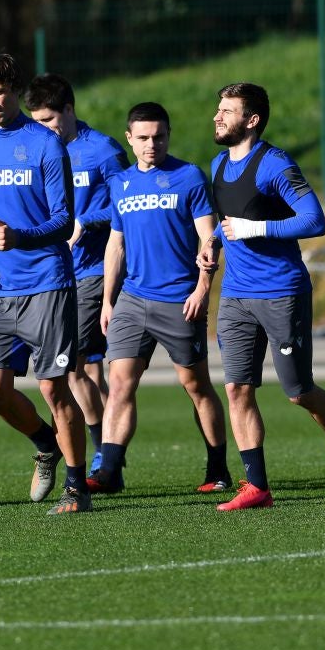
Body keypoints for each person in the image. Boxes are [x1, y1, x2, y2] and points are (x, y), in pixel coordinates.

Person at [202, 82, 325, 511]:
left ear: (251, 120)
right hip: (235, 296)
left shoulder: (275, 164)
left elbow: (314, 220)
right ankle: (257, 486)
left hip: (281, 292)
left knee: (299, 391)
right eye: (218, 109)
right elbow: (230, 219)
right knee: (236, 388)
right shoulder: (218, 164)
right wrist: (213, 241)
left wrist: (256, 229)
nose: (217, 116)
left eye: (227, 111)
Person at [0, 52, 90, 515]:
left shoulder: (45, 145)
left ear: (14, 90)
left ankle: (77, 489)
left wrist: (20, 237)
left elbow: (63, 221)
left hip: (47, 284)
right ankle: (46, 443)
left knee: (53, 389)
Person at [85, 102, 232, 494]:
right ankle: (108, 471)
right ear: (130, 139)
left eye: (159, 136)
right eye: (144, 138)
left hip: (179, 300)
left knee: (195, 385)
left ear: (168, 136)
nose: (152, 144)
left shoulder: (189, 177)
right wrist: (108, 300)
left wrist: (202, 288)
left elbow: (209, 238)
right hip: (132, 299)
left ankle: (217, 468)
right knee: (120, 383)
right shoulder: (120, 183)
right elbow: (116, 244)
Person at [23, 74, 129, 474]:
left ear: (69, 110)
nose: (44, 129)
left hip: (94, 271)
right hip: (54, 274)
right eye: (36, 121)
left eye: (49, 119)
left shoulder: (102, 151)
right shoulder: (36, 151)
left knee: (75, 366)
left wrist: (86, 220)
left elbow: (129, 202)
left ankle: (103, 455)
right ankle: (107, 454)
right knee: (85, 370)